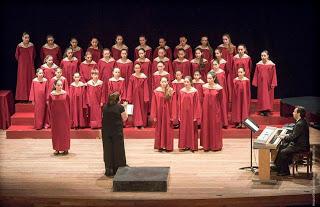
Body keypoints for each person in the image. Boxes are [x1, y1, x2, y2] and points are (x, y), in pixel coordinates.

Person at [274, 106, 310, 176]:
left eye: (294, 112)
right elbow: (295, 134)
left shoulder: (300, 124)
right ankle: (279, 167)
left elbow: (293, 137)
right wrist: (286, 136)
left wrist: (284, 137)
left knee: (283, 152)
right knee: (282, 146)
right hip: (299, 144)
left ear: (298, 114)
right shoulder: (301, 121)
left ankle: (285, 171)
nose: (293, 113)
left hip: (301, 146)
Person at [102, 92, 128, 177]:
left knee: (108, 149)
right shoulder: (120, 107)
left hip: (106, 131)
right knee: (118, 149)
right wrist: (125, 108)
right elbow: (125, 118)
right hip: (116, 131)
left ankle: (109, 168)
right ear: (117, 99)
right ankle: (119, 167)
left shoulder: (105, 107)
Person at [200, 71, 224, 151]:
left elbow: (220, 100)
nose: (208, 80)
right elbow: (202, 98)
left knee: (214, 126)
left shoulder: (219, 88)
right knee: (206, 125)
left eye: (210, 78)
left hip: (215, 110)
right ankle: (206, 145)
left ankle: (215, 145)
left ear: (214, 78)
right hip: (206, 110)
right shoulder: (204, 86)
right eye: (207, 78)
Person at [150, 77, 175, 152]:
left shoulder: (170, 91)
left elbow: (173, 104)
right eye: (162, 82)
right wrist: (154, 115)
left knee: (168, 128)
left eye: (165, 82)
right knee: (160, 129)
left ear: (167, 82)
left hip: (168, 113)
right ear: (160, 82)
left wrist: (173, 115)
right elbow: (154, 104)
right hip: (159, 113)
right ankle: (160, 146)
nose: (164, 83)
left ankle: (168, 146)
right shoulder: (156, 91)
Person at [178, 76, 201, 152]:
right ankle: (184, 145)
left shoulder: (195, 91)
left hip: (192, 113)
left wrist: (196, 115)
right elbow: (179, 104)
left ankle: (192, 146)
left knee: (191, 129)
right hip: (183, 113)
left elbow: (197, 104)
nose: (186, 83)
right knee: (184, 129)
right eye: (185, 82)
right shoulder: (181, 91)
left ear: (191, 82)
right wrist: (179, 115)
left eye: (187, 82)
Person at [48, 79, 70, 155]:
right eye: (58, 85)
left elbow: (68, 105)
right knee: (56, 132)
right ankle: (56, 149)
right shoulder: (51, 94)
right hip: (55, 117)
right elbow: (50, 106)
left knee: (64, 132)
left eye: (61, 85)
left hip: (64, 116)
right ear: (54, 85)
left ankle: (65, 148)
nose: (60, 86)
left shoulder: (65, 94)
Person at [252, 50, 277, 116]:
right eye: (262, 56)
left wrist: (273, 83)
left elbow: (274, 75)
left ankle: (268, 110)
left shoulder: (271, 65)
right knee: (261, 96)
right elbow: (256, 74)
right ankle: (262, 110)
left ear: (268, 56)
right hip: (261, 83)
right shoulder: (258, 65)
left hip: (269, 84)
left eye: (264, 55)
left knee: (268, 97)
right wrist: (255, 82)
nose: (263, 57)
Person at [126, 63, 149, 129]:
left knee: (142, 109)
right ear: (134, 69)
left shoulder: (143, 77)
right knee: (136, 109)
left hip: (142, 95)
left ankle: (142, 124)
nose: (137, 69)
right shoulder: (132, 77)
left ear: (140, 68)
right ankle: (136, 124)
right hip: (134, 95)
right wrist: (129, 97)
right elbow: (130, 87)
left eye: (138, 68)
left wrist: (146, 97)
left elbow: (146, 87)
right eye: (136, 68)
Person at [15, 32, 36, 101]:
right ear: (22, 38)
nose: (27, 39)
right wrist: (22, 62)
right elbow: (16, 56)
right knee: (22, 80)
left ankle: (31, 97)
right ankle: (22, 98)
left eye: (28, 38)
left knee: (30, 78)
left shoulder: (32, 45)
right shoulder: (19, 46)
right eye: (25, 37)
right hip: (22, 66)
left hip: (30, 65)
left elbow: (34, 55)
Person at [210, 60, 228, 128]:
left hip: (221, 91)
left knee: (222, 106)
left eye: (216, 64)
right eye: (213, 64)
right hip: (213, 92)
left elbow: (224, 83)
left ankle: (224, 123)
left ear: (219, 65)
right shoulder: (211, 72)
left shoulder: (222, 72)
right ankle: (215, 123)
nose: (214, 66)